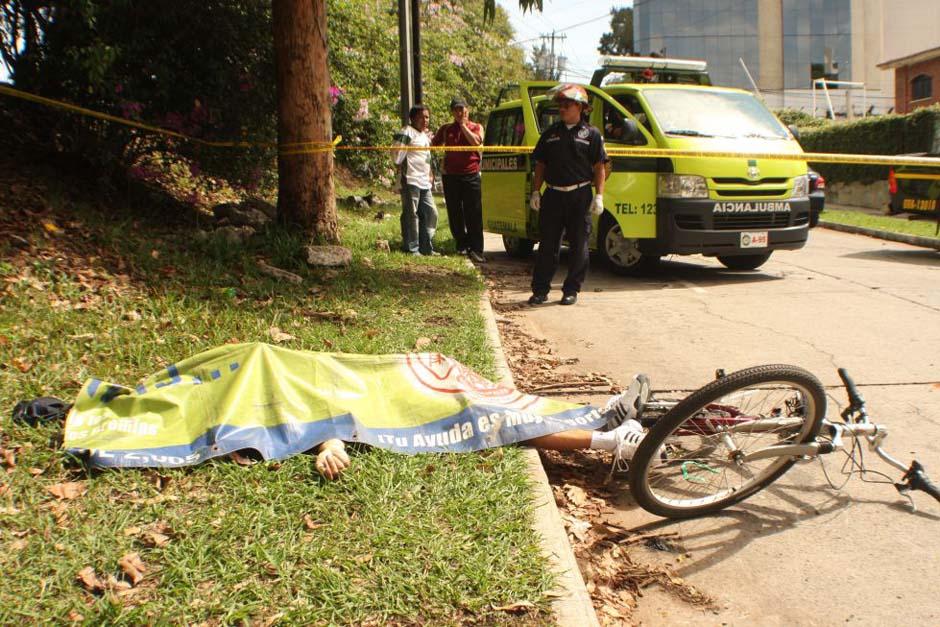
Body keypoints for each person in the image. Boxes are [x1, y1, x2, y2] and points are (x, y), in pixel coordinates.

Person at [315, 373, 650, 480]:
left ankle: (595, 415)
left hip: (397, 392)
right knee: (495, 421)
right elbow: (307, 420)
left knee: (499, 401)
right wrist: (330, 445)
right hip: (408, 415)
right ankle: (608, 439)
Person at [527, 84, 607, 307]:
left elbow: (600, 166)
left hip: (580, 195)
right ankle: (540, 291)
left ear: (580, 107)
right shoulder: (550, 134)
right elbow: (541, 164)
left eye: (567, 105)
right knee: (547, 246)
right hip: (553, 195)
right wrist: (536, 191)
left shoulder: (592, 134)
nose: (562, 109)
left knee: (579, 245)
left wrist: (599, 195)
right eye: (560, 105)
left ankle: (571, 290)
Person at [432, 97, 486, 262]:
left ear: (467, 110)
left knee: (473, 213)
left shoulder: (476, 126)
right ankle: (462, 245)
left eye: (462, 109)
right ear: (452, 112)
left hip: (471, 175)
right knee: (455, 213)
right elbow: (433, 145)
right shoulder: (446, 128)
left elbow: (476, 142)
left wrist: (463, 125)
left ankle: (476, 249)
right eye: (456, 110)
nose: (459, 112)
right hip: (451, 176)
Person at [394, 105, 438, 256]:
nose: (425, 120)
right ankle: (412, 248)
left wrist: (431, 174)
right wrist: (400, 170)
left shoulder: (424, 136)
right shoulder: (407, 131)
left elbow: (427, 157)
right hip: (411, 180)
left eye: (427, 117)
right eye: (421, 117)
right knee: (411, 215)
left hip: (424, 181)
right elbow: (397, 155)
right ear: (412, 118)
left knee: (430, 212)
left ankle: (426, 247)